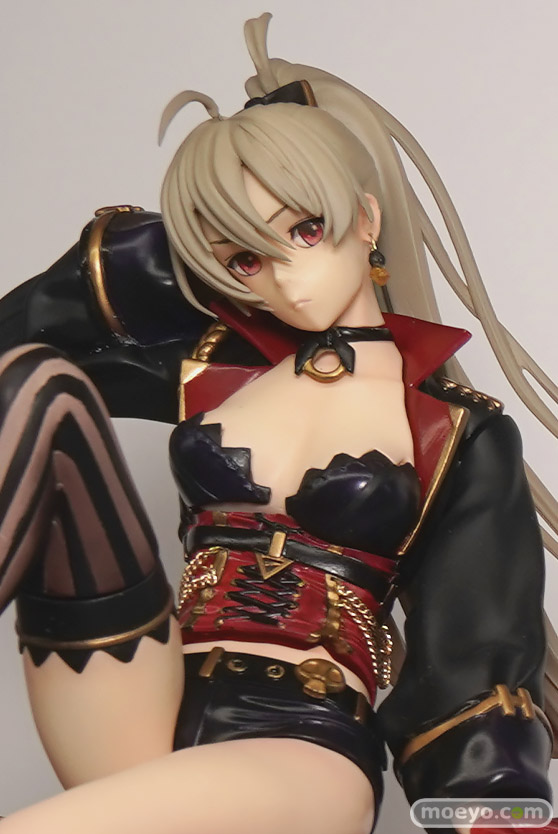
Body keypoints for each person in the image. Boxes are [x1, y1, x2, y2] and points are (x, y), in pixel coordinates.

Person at [0, 12, 556, 834]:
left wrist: (502, 811)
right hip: (142, 697)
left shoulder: (452, 434)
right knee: (38, 385)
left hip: (303, 738)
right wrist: (137, 261)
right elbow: (18, 350)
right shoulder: (216, 373)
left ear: (365, 220)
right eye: (245, 259)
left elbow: (472, 662)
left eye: (306, 229)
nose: (287, 280)